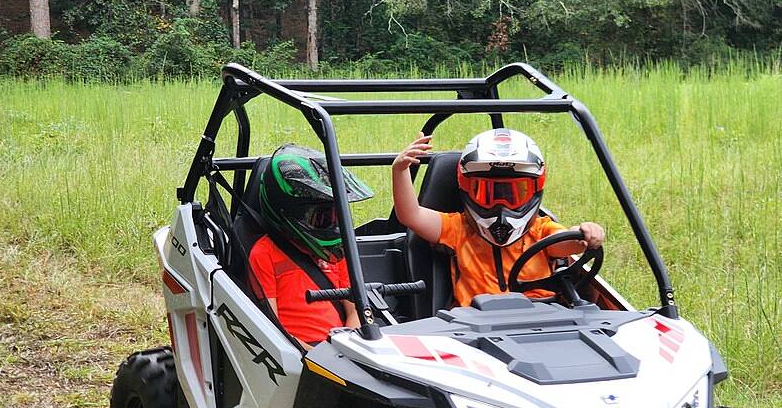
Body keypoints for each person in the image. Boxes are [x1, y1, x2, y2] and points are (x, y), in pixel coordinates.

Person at [392, 127, 605, 306]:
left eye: (514, 194)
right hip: (474, 324)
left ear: (534, 192)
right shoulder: (458, 228)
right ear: (466, 190)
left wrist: (587, 233)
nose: (500, 204)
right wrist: (400, 170)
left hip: (541, 318)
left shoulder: (542, 231)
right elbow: (411, 215)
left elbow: (570, 243)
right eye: (486, 193)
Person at [249, 144, 373, 348]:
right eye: (322, 218)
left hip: (341, 348)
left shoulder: (337, 253)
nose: (332, 225)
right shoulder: (264, 254)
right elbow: (270, 328)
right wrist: (317, 356)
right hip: (298, 354)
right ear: (291, 213)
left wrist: (347, 346)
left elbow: (356, 310)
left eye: (336, 216)